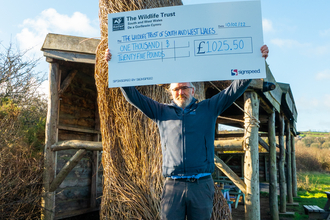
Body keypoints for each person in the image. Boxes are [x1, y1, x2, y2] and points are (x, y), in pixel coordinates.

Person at [105, 45, 269, 220]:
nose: (180, 92)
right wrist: (115, 66)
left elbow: (235, 89)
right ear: (171, 93)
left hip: (201, 185)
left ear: (193, 90)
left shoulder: (208, 108)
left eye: (184, 88)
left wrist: (256, 61)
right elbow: (133, 96)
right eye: (176, 89)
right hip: (172, 186)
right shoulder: (160, 112)